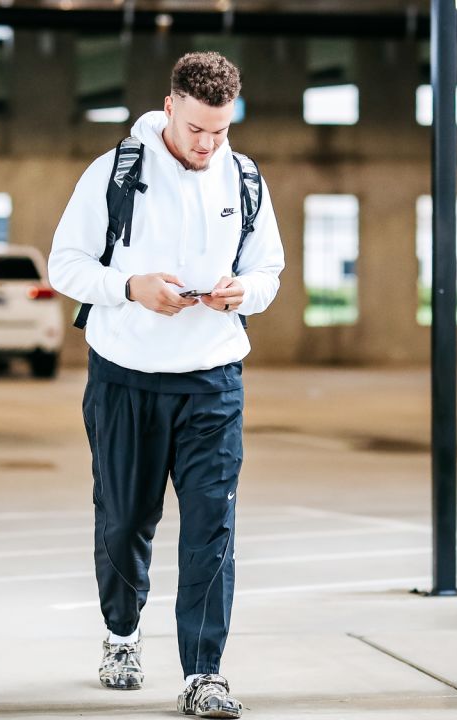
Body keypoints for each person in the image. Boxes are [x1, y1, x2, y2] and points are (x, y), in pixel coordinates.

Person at [48, 52, 284, 718]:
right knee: (124, 521)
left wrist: (244, 293)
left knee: (213, 526)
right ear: (170, 106)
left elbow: (269, 269)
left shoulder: (243, 178)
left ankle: (204, 673)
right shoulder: (115, 172)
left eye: (220, 130)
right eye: (196, 130)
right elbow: (65, 265)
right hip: (124, 377)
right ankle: (122, 634)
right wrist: (131, 287)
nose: (208, 144)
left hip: (213, 380)